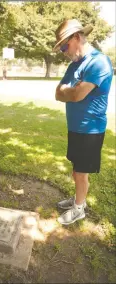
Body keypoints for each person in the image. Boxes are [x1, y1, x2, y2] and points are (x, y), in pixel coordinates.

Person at [53, 19, 113, 225]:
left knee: (80, 172)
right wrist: (71, 91)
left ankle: (79, 208)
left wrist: (69, 91)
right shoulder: (74, 65)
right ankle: (79, 199)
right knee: (76, 169)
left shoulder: (99, 62)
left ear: (77, 37)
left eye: (64, 45)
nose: (63, 51)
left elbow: (77, 95)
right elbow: (57, 93)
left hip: (91, 129)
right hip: (76, 127)